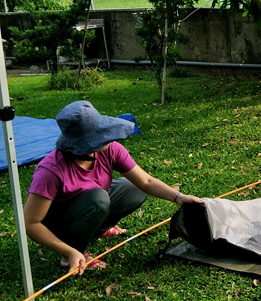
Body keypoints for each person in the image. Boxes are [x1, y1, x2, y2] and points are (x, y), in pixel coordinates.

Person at [23, 101, 203, 275]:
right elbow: (31, 223)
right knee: (98, 199)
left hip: (91, 205)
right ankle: (73, 252)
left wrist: (178, 197)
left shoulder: (110, 150)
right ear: (85, 144)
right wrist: (69, 251)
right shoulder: (50, 170)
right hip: (60, 224)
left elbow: (146, 181)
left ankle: (98, 228)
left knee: (134, 188)